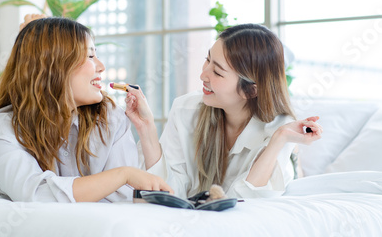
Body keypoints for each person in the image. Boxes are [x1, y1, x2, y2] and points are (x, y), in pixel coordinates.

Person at [0, 15, 172, 202]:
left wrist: (123, 177)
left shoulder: (111, 118)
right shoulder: (4, 127)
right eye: (91, 56)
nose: (101, 67)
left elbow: (119, 199)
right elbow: (35, 193)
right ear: (54, 66)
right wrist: (123, 174)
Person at [125, 23, 323, 199]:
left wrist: (278, 139)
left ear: (251, 90)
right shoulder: (186, 109)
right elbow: (169, 191)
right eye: (207, 60)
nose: (203, 75)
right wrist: (147, 128)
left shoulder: (279, 127)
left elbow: (246, 203)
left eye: (218, 72)